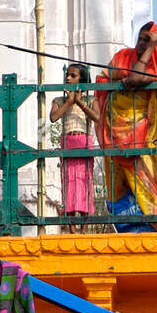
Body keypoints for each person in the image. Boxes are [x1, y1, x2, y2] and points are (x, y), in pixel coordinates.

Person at [95, 22, 157, 232]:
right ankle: (125, 225)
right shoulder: (123, 55)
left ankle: (156, 224)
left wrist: (149, 51)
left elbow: (134, 78)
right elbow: (103, 78)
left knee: (144, 177)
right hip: (113, 129)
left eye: (148, 40)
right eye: (141, 39)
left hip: (141, 131)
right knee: (117, 180)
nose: (142, 43)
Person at [49, 63, 99, 231]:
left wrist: (79, 102)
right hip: (68, 142)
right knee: (69, 182)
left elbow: (98, 117)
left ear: (82, 79)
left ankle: (83, 229)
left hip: (84, 142)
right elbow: (54, 117)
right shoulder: (58, 101)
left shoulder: (91, 100)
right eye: (67, 75)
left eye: (73, 75)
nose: (68, 78)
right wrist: (70, 102)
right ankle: (71, 229)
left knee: (85, 182)